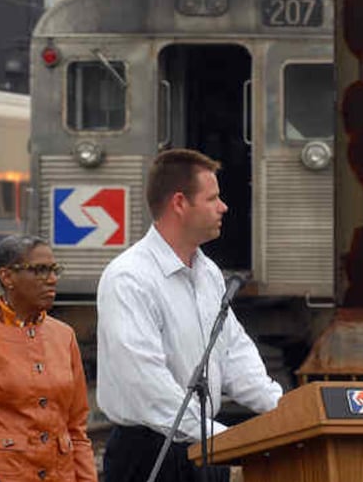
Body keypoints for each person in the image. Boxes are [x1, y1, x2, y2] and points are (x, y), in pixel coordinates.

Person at [96, 148, 283, 482]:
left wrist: (283, 411)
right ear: (180, 203)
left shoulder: (207, 271)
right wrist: (223, 439)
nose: (223, 207)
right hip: (149, 454)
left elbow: (234, 352)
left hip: (201, 448)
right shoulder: (129, 278)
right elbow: (147, 385)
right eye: (212, 198)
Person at [0, 235, 97, 482]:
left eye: (54, 270)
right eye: (40, 270)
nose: (52, 279)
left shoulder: (64, 337)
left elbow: (77, 430)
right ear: (7, 277)